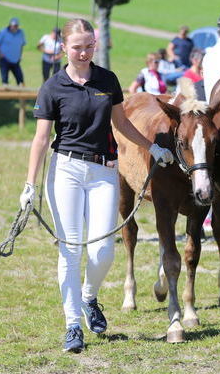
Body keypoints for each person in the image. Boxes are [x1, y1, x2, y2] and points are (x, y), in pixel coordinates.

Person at [20, 19, 174, 353]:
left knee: (103, 251)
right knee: (71, 249)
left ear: (95, 43)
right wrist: (29, 185)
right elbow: (41, 139)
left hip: (104, 170)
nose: (84, 52)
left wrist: (153, 147)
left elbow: (121, 123)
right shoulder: (52, 87)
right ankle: (72, 325)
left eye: (89, 45)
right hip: (67, 170)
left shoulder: (108, 80)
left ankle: (90, 296)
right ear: (64, 47)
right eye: (77, 46)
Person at [0, 17, 26, 86]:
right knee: (5, 78)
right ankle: (5, 93)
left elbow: (22, 45)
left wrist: (20, 56)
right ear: (10, 25)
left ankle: (22, 95)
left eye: (16, 26)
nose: (15, 27)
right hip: (4, 59)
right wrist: (0, 54)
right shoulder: (3, 32)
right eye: (13, 25)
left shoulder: (21, 33)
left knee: (20, 78)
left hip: (15, 60)